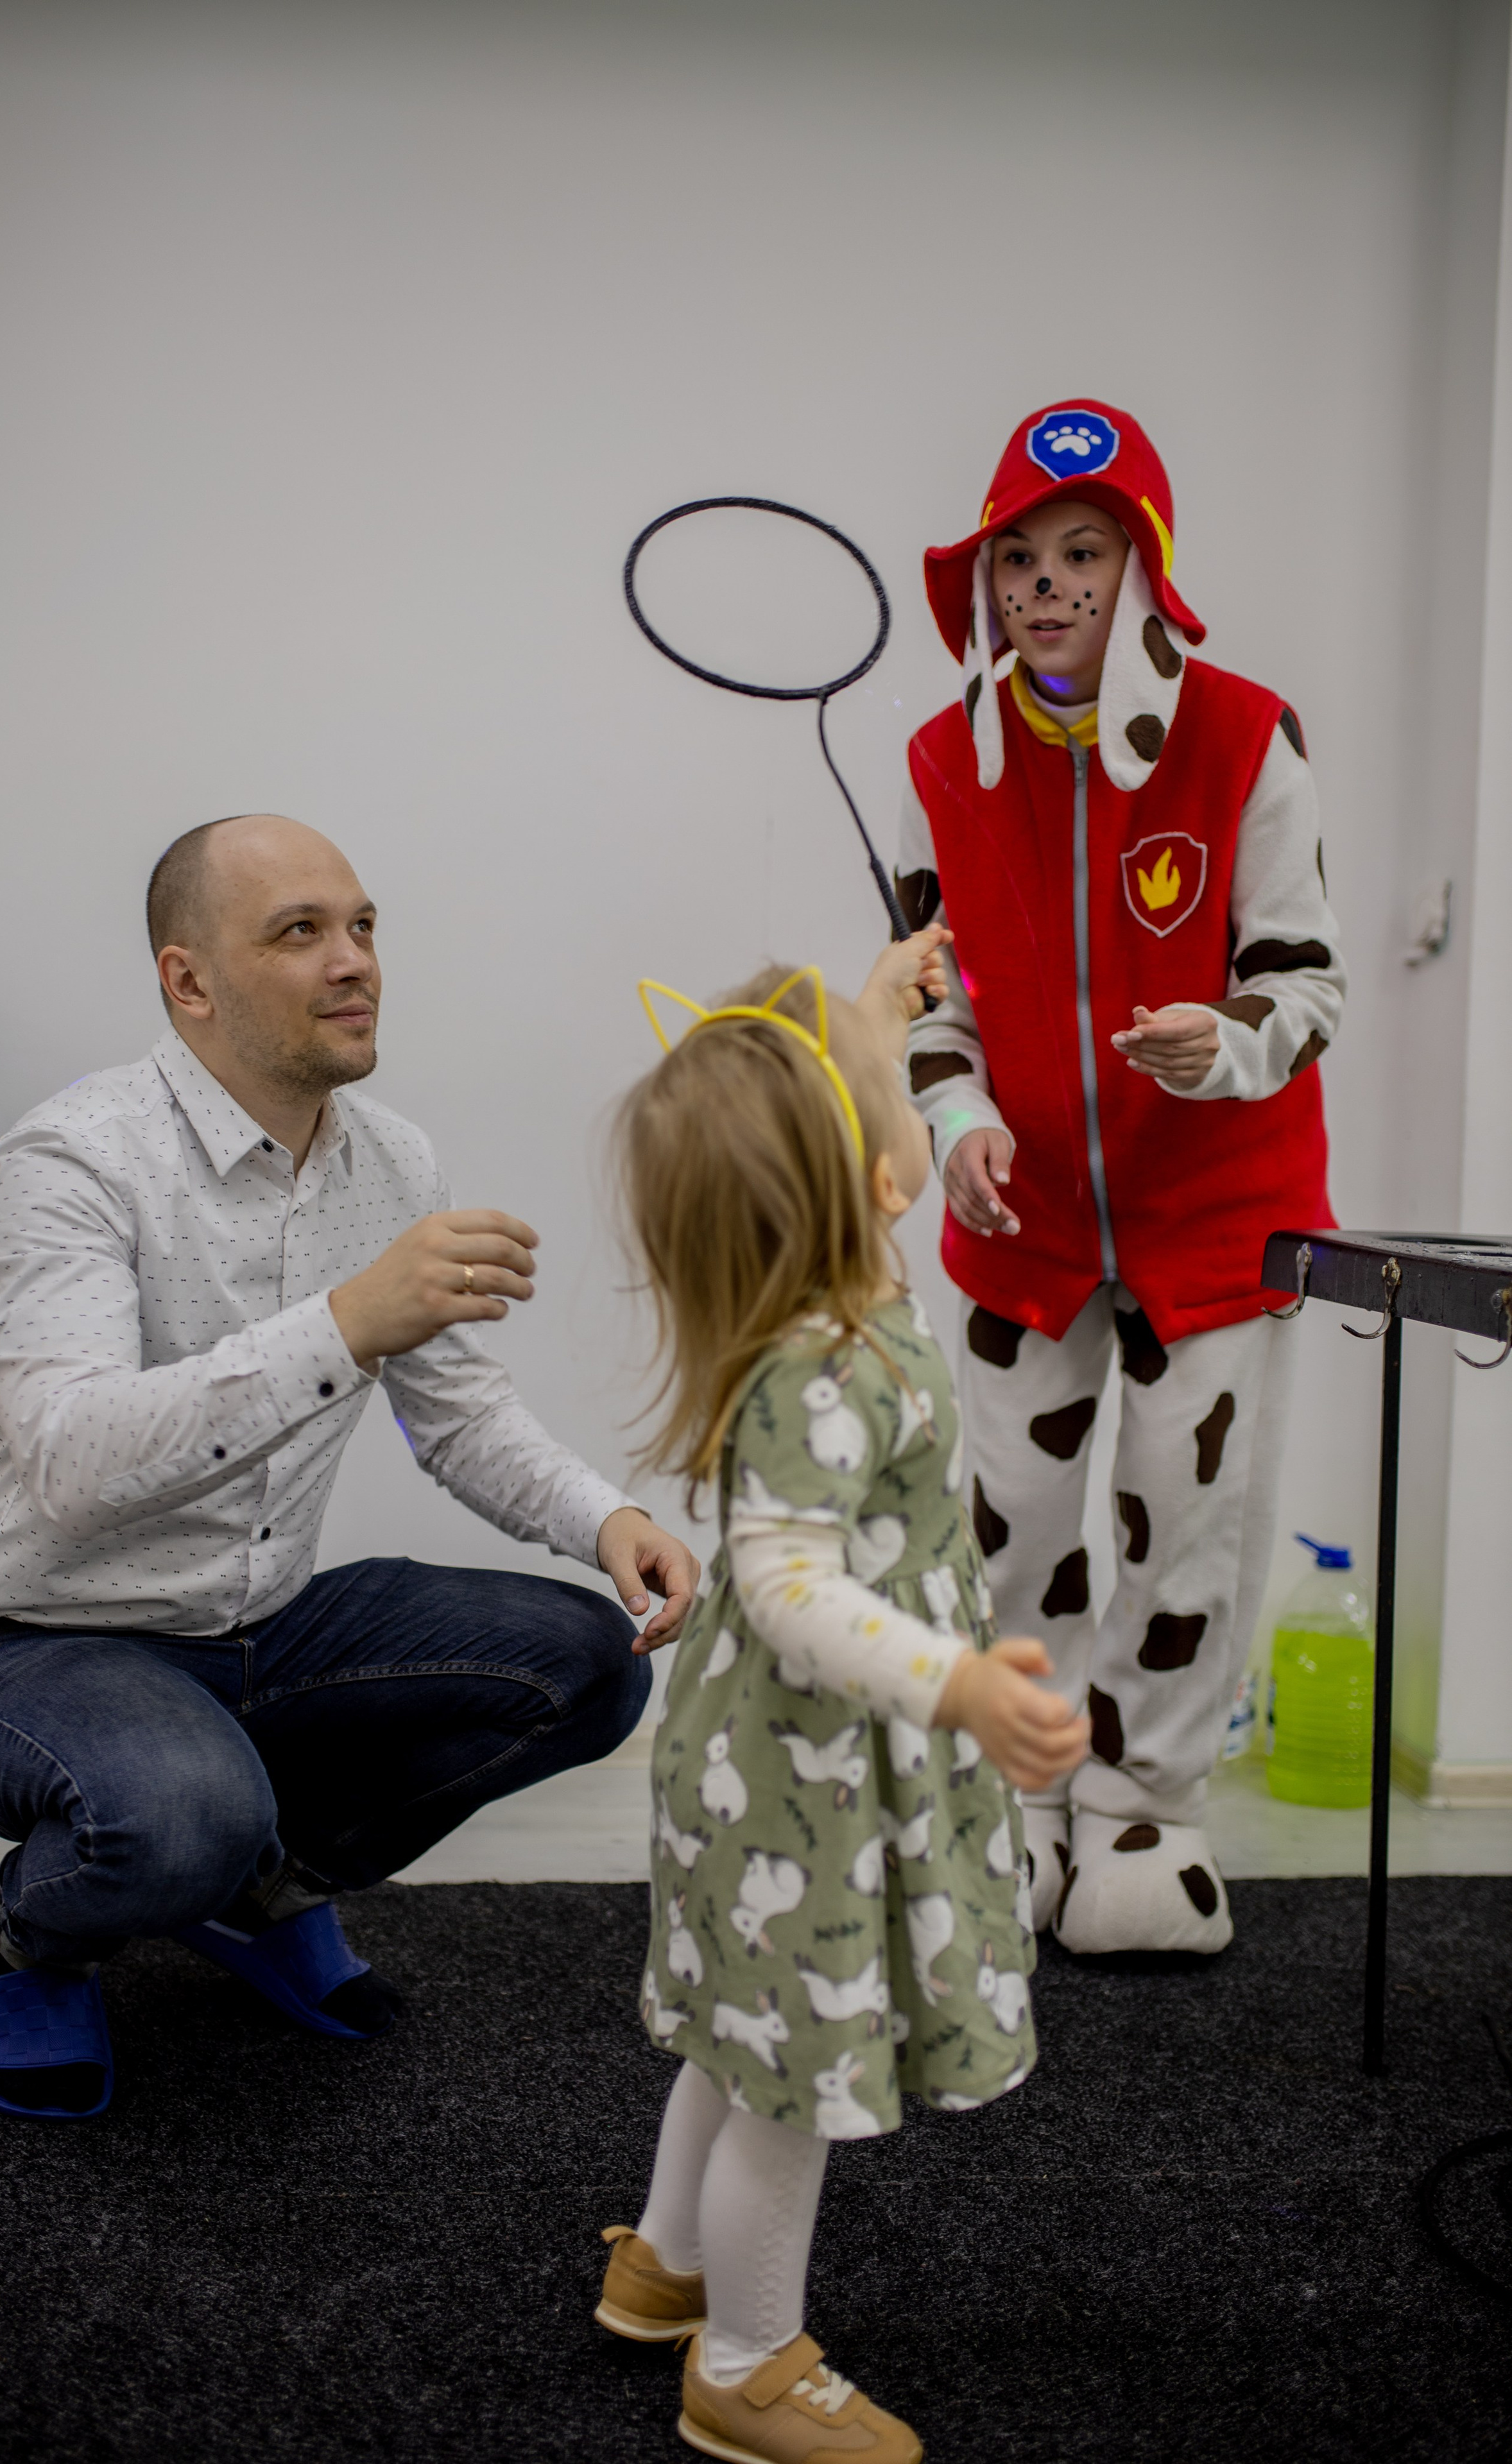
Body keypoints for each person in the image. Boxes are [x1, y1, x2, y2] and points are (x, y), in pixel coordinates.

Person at [0, 812, 698, 2119]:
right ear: (189, 981)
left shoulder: (391, 1160)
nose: (353, 961)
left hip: (266, 1631)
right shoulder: (73, 1159)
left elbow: (457, 1417)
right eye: (299, 932)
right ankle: (40, 1942)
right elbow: (69, 1460)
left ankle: (259, 1891)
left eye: (362, 926)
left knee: (588, 1665)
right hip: (42, 1648)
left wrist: (606, 1518)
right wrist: (343, 1325)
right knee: (180, 1814)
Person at [591, 937, 1089, 2464]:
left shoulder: (844, 1286)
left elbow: (816, 1087)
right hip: (802, 1774)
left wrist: (878, 1007)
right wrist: (953, 1680)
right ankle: (745, 2364)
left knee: (739, 2039)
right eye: (899, 1093)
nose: (917, 1102)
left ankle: (665, 2267)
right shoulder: (822, 1362)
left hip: (794, 1764)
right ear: (876, 1178)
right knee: (793, 2077)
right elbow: (793, 1592)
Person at [896, 398, 1346, 1955]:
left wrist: (1221, 1044)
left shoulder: (1244, 735)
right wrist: (958, 1120)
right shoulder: (941, 760)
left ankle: (1147, 1807)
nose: (1044, 584)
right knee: (1011, 1521)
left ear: (1139, 568)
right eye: (1016, 557)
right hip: (1021, 1226)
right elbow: (930, 997)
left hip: (1214, 1217)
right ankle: (1020, 1794)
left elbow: (1304, 980)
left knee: (1183, 1518)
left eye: (1080, 553)